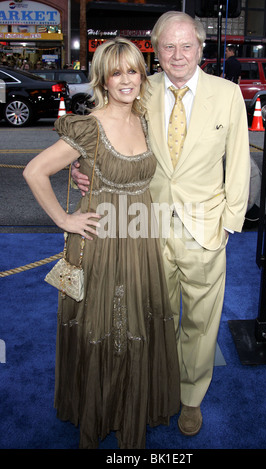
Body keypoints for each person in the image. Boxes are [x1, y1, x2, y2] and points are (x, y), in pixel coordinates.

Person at [72, 12, 250, 438]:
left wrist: (229, 223)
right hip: (144, 225)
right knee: (155, 316)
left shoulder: (227, 95)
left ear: (201, 48)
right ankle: (159, 388)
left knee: (201, 322)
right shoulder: (140, 89)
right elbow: (107, 135)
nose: (177, 55)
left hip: (204, 227)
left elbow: (240, 163)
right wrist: (83, 169)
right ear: (155, 48)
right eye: (168, 46)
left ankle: (190, 397)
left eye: (187, 45)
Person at [23, 37, 180, 449]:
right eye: (116, 72)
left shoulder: (143, 118)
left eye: (133, 70)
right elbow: (35, 171)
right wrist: (65, 219)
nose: (126, 80)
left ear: (141, 75)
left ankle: (131, 409)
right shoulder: (90, 126)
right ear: (103, 80)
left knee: (136, 324)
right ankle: (99, 415)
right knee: (104, 326)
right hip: (100, 240)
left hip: (140, 234)